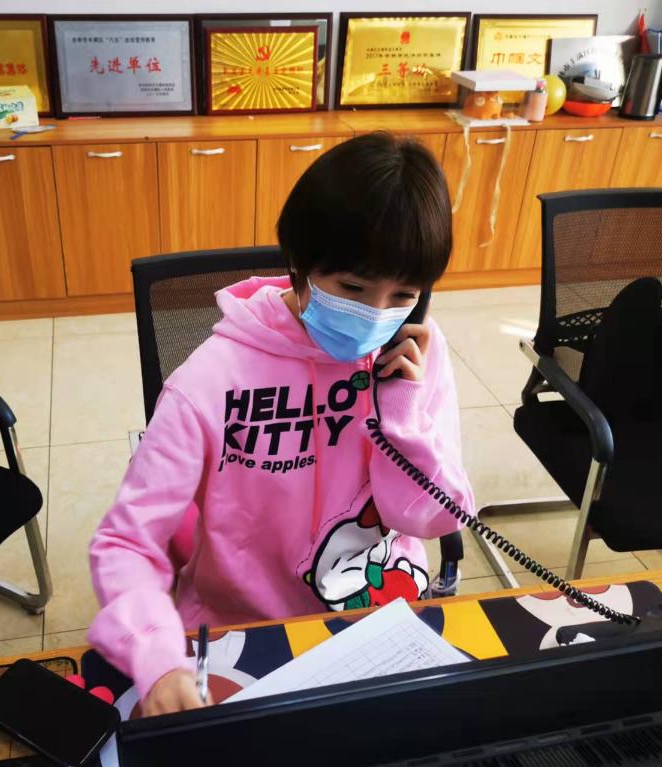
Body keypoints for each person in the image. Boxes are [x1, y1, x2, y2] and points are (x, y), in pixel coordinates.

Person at [88, 132, 475, 716]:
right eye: (352, 288)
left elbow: (433, 518)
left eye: (403, 295)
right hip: (245, 630)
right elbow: (126, 541)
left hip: (382, 615)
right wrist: (157, 657)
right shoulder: (210, 380)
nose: (376, 313)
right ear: (299, 263)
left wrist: (402, 418)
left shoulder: (414, 353)